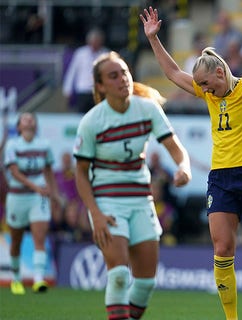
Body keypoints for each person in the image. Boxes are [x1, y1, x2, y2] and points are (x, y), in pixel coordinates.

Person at [140, 2, 242, 319]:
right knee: (222, 249)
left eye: (208, 83)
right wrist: (153, 38)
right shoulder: (209, 94)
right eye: (202, 87)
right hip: (221, 178)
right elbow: (171, 73)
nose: (205, 90)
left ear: (221, 72)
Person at [73, 51, 192, 319]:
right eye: (113, 76)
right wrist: (96, 214)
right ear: (100, 86)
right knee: (117, 275)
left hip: (141, 199)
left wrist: (183, 168)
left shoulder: (147, 109)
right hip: (107, 200)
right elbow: (81, 173)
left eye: (124, 73)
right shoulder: (92, 121)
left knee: (146, 283)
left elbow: (175, 148)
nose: (122, 79)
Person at [4, 112, 60, 295]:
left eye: (32, 119)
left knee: (39, 237)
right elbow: (14, 172)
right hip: (17, 196)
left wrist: (54, 193)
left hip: (39, 197)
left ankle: (38, 279)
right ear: (19, 126)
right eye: (25, 119)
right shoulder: (12, 145)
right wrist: (36, 187)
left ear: (35, 125)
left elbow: (49, 170)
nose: (29, 121)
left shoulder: (44, 145)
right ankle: (17, 278)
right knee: (16, 241)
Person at [62, 28, 109, 113]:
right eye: (93, 42)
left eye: (97, 42)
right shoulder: (80, 53)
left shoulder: (105, 54)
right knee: (82, 116)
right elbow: (72, 72)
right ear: (89, 41)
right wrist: (67, 89)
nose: (94, 45)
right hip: (82, 90)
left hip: (98, 90)